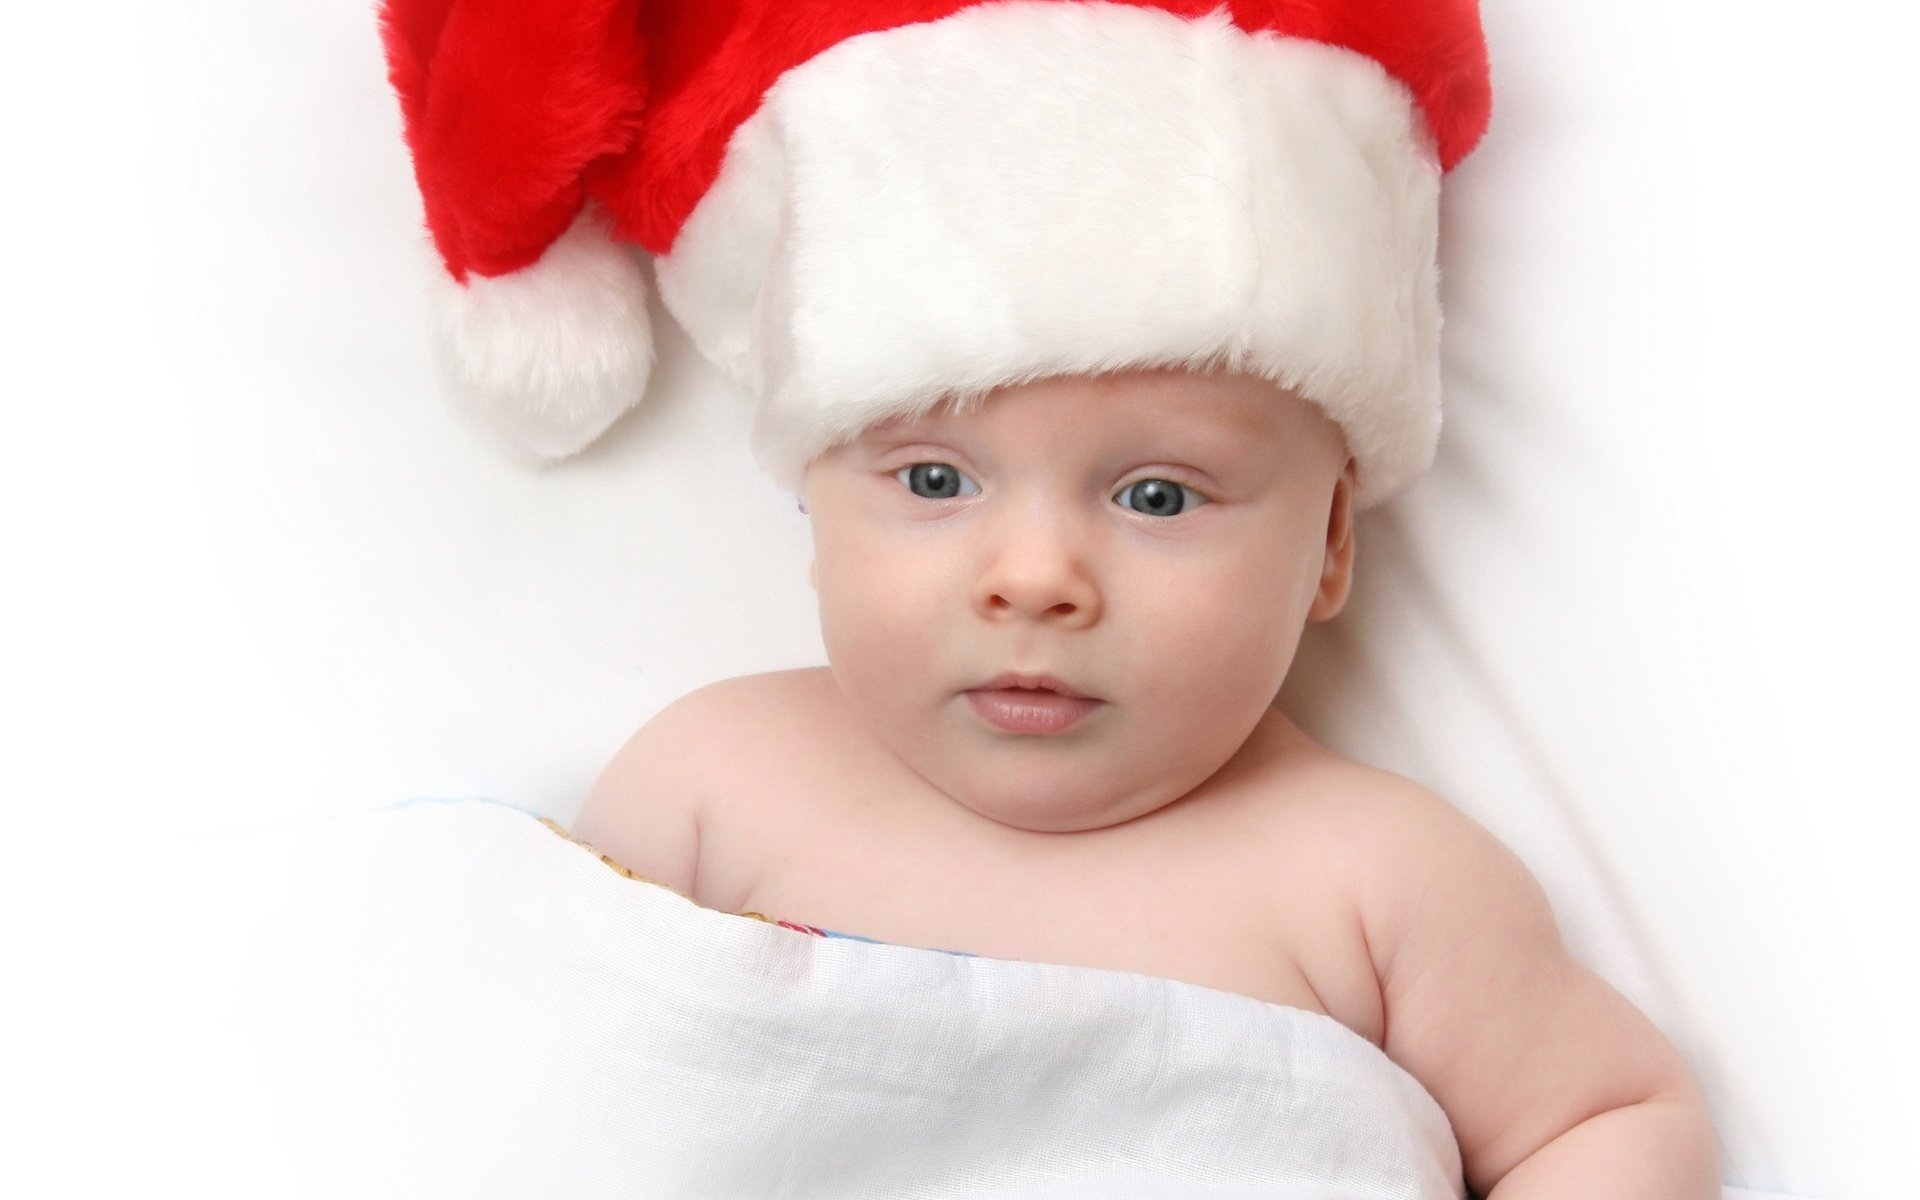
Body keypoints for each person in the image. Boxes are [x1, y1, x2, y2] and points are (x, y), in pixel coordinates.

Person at [382, 0, 1719, 1194]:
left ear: (1328, 548)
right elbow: (530, 1094)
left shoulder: (1384, 886)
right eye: (932, 478)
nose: (1033, 579)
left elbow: (1606, 1115)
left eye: (1156, 497)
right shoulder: (709, 790)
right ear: (811, 507)